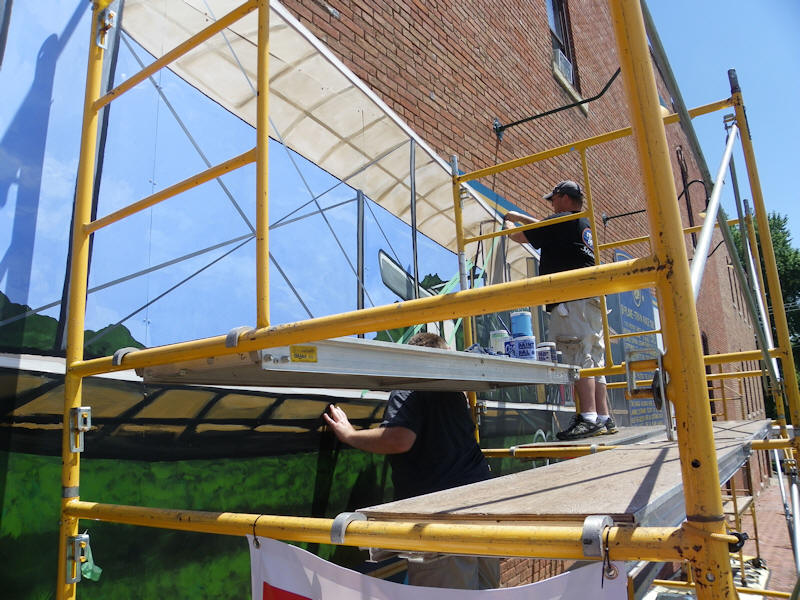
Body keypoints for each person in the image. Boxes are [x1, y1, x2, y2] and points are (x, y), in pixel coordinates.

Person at [323, 332, 499, 590]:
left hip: (441, 519)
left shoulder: (411, 384)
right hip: (480, 509)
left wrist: (349, 434)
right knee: (486, 591)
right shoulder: (454, 389)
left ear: (411, 358)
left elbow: (400, 439)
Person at [503, 180, 617, 440]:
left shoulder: (560, 221)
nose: (552, 205)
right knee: (593, 356)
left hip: (571, 300)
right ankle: (603, 417)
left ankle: (588, 418)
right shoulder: (578, 224)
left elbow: (519, 236)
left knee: (577, 353)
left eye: (553, 199)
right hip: (591, 299)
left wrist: (508, 226)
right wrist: (520, 216)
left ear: (564, 198)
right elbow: (542, 228)